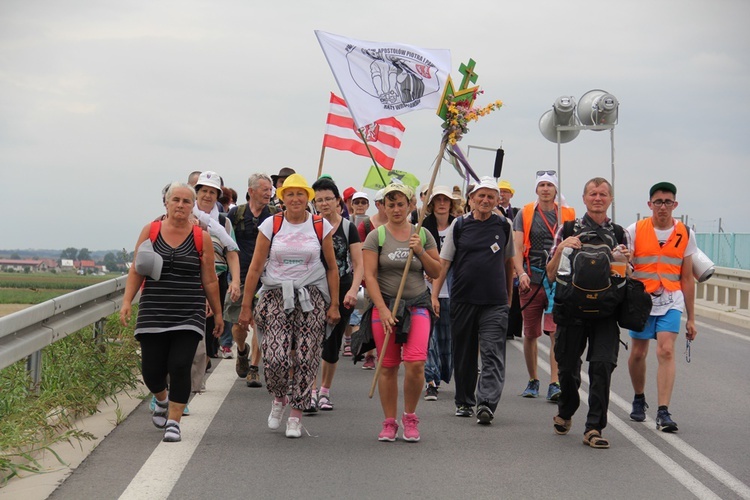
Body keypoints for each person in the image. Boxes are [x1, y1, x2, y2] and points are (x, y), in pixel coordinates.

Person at [237, 173, 340, 439]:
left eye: (300, 194)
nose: (295, 198)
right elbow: (256, 267)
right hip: (275, 296)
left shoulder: (319, 226)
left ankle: (296, 414)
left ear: (308, 198)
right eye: (290, 194)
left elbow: (332, 268)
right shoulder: (272, 224)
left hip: (310, 298)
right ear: (282, 198)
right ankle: (279, 398)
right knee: (275, 358)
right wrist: (247, 306)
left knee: (306, 358)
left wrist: (334, 305)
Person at [120, 182, 223, 443]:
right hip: (154, 309)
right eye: (175, 200)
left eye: (186, 201)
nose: (180, 205)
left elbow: (210, 280)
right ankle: (161, 399)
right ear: (166, 203)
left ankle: (174, 422)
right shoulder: (151, 231)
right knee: (151, 371)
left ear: (193, 206)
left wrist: (218, 314)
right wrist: (127, 302)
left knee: (179, 365)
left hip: (188, 310)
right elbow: (136, 269)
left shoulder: (202, 237)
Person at [546, 177, 630, 449]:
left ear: (610, 199)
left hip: (606, 312)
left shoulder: (619, 234)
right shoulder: (567, 229)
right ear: (584, 198)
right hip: (572, 310)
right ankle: (567, 407)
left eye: (603, 194)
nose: (598, 198)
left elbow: (628, 277)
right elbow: (549, 274)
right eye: (592, 193)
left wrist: (624, 262)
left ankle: (594, 427)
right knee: (568, 367)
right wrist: (561, 248)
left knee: (602, 366)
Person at [431, 177, 514, 425]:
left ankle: (486, 402)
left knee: (492, 352)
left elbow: (508, 263)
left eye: (491, 196)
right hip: (463, 298)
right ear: (471, 200)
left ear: (498, 200)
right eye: (481, 196)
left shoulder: (504, 225)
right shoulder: (460, 225)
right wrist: (434, 295)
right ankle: (464, 401)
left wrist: (509, 297)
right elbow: (444, 264)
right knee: (464, 353)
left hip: (494, 302)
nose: (486, 200)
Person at [362, 183, 441, 442]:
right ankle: (389, 422)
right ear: (383, 207)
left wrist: (419, 251)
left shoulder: (423, 235)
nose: (396, 209)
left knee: (416, 364)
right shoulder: (377, 236)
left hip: (417, 305)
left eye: (400, 204)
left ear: (410, 205)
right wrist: (382, 310)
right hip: (385, 307)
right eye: (390, 204)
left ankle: (410, 416)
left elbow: (437, 271)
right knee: (388, 366)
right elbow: (370, 277)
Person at [626, 182, 697, 432]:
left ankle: (663, 411)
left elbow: (687, 277)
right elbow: (624, 265)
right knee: (637, 353)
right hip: (642, 301)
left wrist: (691, 317)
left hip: (671, 299)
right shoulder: (635, 230)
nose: (663, 206)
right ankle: (638, 397)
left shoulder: (685, 233)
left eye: (668, 202)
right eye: (658, 202)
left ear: (675, 205)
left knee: (666, 351)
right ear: (650, 205)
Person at [513, 172, 575, 401]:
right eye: (542, 185)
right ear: (536, 189)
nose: (546, 189)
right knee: (530, 333)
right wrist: (520, 274)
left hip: (558, 282)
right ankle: (533, 379)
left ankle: (554, 382)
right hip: (531, 280)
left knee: (555, 334)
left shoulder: (567, 214)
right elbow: (517, 247)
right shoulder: (525, 213)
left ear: (556, 190)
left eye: (550, 185)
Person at [310, 178, 363, 411]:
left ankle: (324, 391)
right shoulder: (309, 225)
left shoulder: (348, 227)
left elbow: (358, 263)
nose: (324, 204)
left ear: (338, 201)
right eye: (319, 200)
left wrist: (353, 290)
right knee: (310, 341)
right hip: (312, 288)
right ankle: (309, 391)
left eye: (328, 199)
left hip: (342, 288)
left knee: (332, 342)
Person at [224, 173, 276, 387]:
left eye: (270, 189)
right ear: (251, 191)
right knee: (238, 326)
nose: (268, 193)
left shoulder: (274, 215)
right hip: (242, 277)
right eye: (264, 189)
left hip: (267, 278)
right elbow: (228, 245)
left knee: (260, 324)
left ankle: (254, 367)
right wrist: (232, 278)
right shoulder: (236, 214)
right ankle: (242, 350)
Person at [194, 171, 241, 362]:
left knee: (212, 329)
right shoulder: (186, 216)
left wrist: (236, 281)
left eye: (212, 192)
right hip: (191, 279)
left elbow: (232, 252)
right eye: (204, 191)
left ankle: (203, 364)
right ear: (196, 193)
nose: (207, 196)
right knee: (195, 328)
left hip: (217, 280)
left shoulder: (223, 222)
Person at [420, 186, 457, 401]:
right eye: (438, 200)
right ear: (432, 203)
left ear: (451, 204)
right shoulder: (423, 228)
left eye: (446, 200)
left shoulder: (459, 226)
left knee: (447, 339)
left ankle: (443, 373)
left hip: (451, 291)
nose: (442, 203)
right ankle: (430, 380)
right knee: (428, 338)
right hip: (426, 291)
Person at [357, 188, 387, 369]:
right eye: (385, 202)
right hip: (371, 276)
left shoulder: (399, 223)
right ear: (377, 205)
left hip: (393, 277)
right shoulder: (366, 226)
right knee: (370, 314)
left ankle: (386, 351)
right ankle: (369, 353)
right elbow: (361, 252)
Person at [343, 191, 371, 357]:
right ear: (351, 204)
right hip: (349, 271)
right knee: (349, 309)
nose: (360, 205)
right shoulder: (347, 223)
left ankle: (355, 343)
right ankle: (349, 341)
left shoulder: (370, 224)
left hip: (365, 272)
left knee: (359, 309)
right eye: (357, 202)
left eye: (363, 202)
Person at [497, 179, 522, 340]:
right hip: (500, 253)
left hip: (515, 252)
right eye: (500, 192)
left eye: (505, 192)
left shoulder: (517, 212)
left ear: (511, 194)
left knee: (514, 294)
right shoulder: (494, 211)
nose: (502, 195)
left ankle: (512, 329)